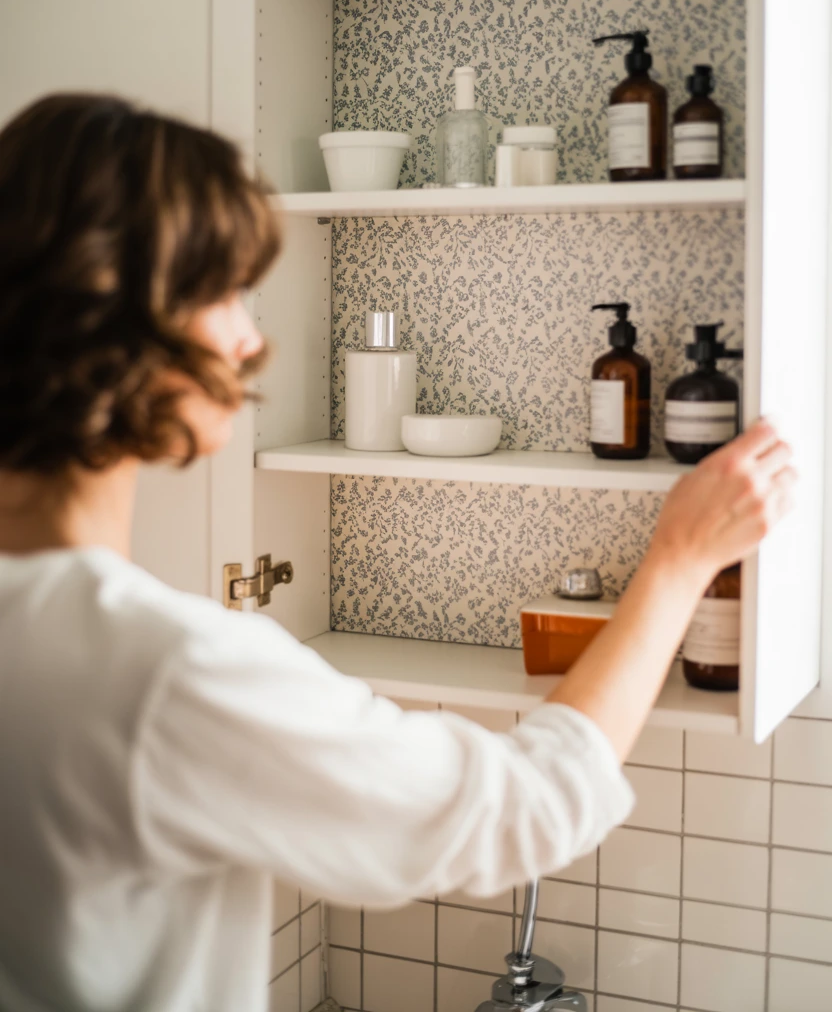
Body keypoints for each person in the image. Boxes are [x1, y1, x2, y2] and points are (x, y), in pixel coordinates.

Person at [0, 94, 795, 1012]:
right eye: (221, 293)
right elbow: (526, 810)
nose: (253, 339)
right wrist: (681, 556)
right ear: (115, 317)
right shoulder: (163, 676)